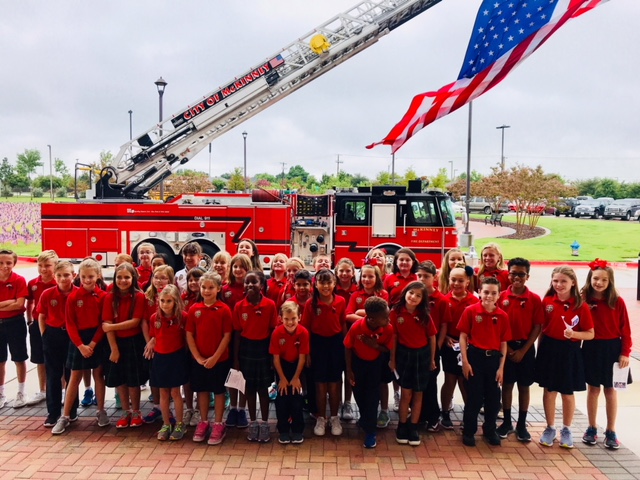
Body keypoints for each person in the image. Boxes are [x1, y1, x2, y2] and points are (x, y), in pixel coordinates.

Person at [536, 266, 594, 449]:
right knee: (549, 390)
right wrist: (540, 350)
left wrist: (575, 335)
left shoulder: (580, 306)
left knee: (567, 392)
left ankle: (567, 429)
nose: (559, 285)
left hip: (570, 350)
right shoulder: (547, 302)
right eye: (555, 281)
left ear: (573, 283)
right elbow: (541, 330)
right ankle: (550, 427)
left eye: (563, 281)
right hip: (549, 349)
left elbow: (590, 334)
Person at [580, 259, 632, 450]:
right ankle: (592, 427)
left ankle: (611, 430)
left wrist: (625, 353)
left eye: (603, 280)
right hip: (591, 347)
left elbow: (626, 330)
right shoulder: (584, 299)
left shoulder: (617, 301)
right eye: (595, 279)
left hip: (612, 349)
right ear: (590, 278)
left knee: (610, 390)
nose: (599, 283)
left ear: (610, 281)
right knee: (593, 389)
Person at [52, 258, 109, 434]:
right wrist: (80, 345)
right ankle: (65, 416)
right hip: (78, 340)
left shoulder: (103, 296)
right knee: (74, 378)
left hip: (97, 339)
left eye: (91, 276)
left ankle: (101, 411)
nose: (87, 280)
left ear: (98, 276)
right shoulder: (73, 297)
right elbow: (70, 323)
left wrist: (92, 343)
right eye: (84, 276)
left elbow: (104, 322)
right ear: (79, 277)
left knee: (98, 375)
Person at [458, 277, 511, 447]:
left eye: (493, 293)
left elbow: (503, 343)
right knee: (474, 396)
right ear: (479, 292)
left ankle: (489, 429)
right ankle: (469, 431)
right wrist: (465, 362)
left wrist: (501, 368)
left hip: (493, 359)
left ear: (499, 295)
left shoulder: (502, 316)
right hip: (475, 357)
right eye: (486, 292)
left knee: (493, 399)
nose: (489, 296)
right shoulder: (471, 311)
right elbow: (463, 336)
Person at [496, 258, 543, 442]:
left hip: (526, 348)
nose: (517, 277)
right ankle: (506, 422)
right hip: (506, 347)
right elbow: (498, 325)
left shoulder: (534, 299)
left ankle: (521, 424)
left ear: (527, 276)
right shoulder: (501, 297)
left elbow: (537, 327)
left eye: (521, 274)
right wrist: (507, 349)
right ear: (508, 274)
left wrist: (523, 350)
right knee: (507, 385)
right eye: (514, 273)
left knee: (524, 386)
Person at [390, 281, 437, 446]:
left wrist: (431, 359)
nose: (413, 297)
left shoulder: (424, 314)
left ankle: (413, 426)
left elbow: (432, 337)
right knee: (406, 393)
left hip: (422, 355)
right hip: (404, 354)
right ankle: (402, 425)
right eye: (411, 293)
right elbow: (394, 337)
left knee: (418, 393)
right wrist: (392, 359)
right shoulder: (396, 312)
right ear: (405, 293)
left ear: (422, 299)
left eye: (418, 296)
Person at [233, 270, 278, 443]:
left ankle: (264, 423)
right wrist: (236, 358)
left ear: (262, 285)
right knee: (249, 388)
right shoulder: (239, 306)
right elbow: (237, 333)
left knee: (263, 389)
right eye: (247, 282)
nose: (250, 285)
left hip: (264, 349)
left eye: (254, 282)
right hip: (246, 349)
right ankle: (252, 422)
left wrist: (273, 355)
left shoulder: (270, 305)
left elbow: (273, 331)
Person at [102, 262, 148, 429]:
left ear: (133, 278)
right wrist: (114, 348)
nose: (123, 280)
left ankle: (136, 411)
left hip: (134, 342)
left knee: (133, 379)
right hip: (115, 343)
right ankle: (125, 411)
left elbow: (135, 322)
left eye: (127, 277)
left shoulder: (139, 296)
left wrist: (112, 326)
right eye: (119, 277)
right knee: (120, 378)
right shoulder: (109, 297)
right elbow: (106, 323)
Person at [345, 296, 394, 449]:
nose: (388, 320)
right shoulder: (357, 327)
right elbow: (348, 347)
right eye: (385, 318)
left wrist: (375, 345)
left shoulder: (388, 328)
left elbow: (388, 348)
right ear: (372, 319)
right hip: (358, 364)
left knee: (372, 397)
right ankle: (365, 418)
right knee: (359, 394)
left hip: (375, 365)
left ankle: (370, 431)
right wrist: (349, 370)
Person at [302, 269, 346, 437]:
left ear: (334, 284)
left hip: (335, 345)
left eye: (329, 282)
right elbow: (305, 330)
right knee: (320, 384)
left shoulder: (341, 301)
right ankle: (321, 418)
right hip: (317, 345)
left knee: (335, 383)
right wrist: (307, 353)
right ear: (316, 284)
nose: (326, 286)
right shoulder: (310, 304)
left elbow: (343, 326)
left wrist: (345, 348)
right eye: (322, 282)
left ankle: (335, 417)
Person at [346, 263, 391, 428]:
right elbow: (348, 315)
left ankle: (384, 411)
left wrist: (360, 312)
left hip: (380, 348)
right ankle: (365, 415)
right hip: (360, 348)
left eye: (371, 276)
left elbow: (385, 315)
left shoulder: (383, 294)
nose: (367, 279)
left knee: (382, 381)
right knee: (362, 384)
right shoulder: (355, 295)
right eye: (363, 276)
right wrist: (365, 320)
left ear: (377, 278)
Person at [37, 261, 78, 427]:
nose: (63, 278)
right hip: (53, 335)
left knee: (71, 375)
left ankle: (72, 411)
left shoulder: (78, 294)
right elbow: (41, 316)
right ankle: (53, 413)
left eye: (67, 275)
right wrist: (45, 335)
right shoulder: (47, 294)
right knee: (53, 375)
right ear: (54, 276)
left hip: (72, 336)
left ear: (73, 276)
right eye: (59, 275)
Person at [145, 285, 189, 441]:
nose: (165, 304)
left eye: (169, 301)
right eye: (162, 301)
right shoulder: (154, 318)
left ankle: (180, 423)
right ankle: (165, 423)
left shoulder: (182, 317)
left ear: (175, 301)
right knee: (163, 393)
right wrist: (151, 341)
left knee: (175, 393)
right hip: (160, 359)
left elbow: (187, 337)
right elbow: (154, 335)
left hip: (176, 358)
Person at [416, 261, 451, 431]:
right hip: (416, 345)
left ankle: (433, 416)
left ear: (434, 277)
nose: (422, 279)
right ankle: (420, 414)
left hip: (432, 347)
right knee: (419, 382)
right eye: (419, 276)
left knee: (431, 383)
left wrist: (437, 345)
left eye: (426, 276)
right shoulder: (415, 296)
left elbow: (444, 325)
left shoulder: (441, 300)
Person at [270, 301, 309, 445]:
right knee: (282, 400)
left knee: (297, 400)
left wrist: (296, 378)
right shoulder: (277, 333)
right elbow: (275, 359)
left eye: (293, 318)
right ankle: (284, 430)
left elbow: (302, 357)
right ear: (281, 318)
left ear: (299, 317)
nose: (290, 322)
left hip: (297, 368)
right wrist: (282, 379)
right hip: (282, 368)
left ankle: (298, 430)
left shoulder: (303, 333)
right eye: (286, 319)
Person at [141, 265, 175, 424]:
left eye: (163, 278)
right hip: (151, 344)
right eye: (156, 277)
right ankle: (157, 407)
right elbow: (145, 322)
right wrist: (150, 341)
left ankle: (168, 409)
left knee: (169, 379)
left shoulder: (173, 297)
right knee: (154, 377)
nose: (159, 281)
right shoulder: (147, 298)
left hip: (167, 344)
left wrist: (156, 339)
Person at [222, 253, 252, 429]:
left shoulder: (251, 288)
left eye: (242, 266)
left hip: (247, 336)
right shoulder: (225, 289)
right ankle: (233, 407)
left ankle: (242, 408)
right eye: (235, 266)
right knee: (232, 373)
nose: (238, 270)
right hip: (230, 336)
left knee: (245, 374)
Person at [26, 249, 59, 406]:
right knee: (40, 359)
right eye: (40, 265)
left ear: (55, 266)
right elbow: (30, 302)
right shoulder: (33, 283)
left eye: (47, 265)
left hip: (54, 326)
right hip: (36, 325)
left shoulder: (59, 283)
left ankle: (63, 390)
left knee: (58, 360)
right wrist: (29, 321)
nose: (43, 269)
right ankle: (42, 390)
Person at [0, 249, 29, 409]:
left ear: (14, 263)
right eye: (1, 263)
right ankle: (1, 393)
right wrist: (7, 302)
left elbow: (19, 304)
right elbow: (14, 303)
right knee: (0, 360)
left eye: (8, 263)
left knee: (19, 358)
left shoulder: (19, 280)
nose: (5, 266)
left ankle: (21, 392)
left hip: (15, 323)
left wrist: (8, 304)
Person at [334, 258, 357, 421]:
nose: (344, 274)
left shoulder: (357, 290)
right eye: (341, 271)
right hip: (337, 337)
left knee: (350, 371)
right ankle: (337, 401)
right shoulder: (332, 289)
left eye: (348, 270)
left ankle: (348, 402)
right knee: (337, 372)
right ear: (336, 272)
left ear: (353, 272)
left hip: (355, 337)